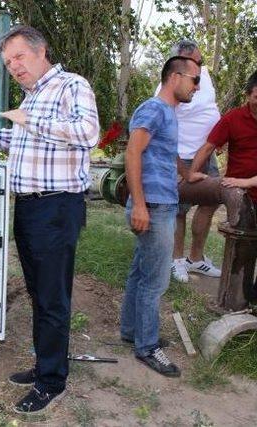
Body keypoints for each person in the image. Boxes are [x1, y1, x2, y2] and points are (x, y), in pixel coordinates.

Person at [0, 25, 99, 415]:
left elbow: (88, 133)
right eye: (8, 61)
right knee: (38, 292)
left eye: (19, 58)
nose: (14, 66)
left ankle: (52, 381)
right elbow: (19, 143)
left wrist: (31, 122)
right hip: (29, 207)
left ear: (41, 51)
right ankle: (44, 364)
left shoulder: (70, 86)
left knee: (51, 297)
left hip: (57, 207)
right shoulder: (30, 98)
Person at [122, 56, 201, 378]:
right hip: (153, 205)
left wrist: (188, 173)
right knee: (155, 282)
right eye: (194, 80)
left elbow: (163, 154)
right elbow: (132, 152)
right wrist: (140, 205)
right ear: (175, 77)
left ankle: (133, 331)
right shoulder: (154, 109)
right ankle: (148, 346)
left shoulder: (167, 113)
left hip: (158, 203)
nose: (197, 88)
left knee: (140, 273)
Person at [155, 40, 222, 283]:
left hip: (207, 150)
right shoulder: (168, 87)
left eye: (201, 61)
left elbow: (208, 108)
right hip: (182, 154)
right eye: (197, 61)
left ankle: (196, 259)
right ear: (180, 64)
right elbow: (161, 128)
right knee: (179, 209)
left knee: (212, 200)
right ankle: (176, 261)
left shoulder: (203, 74)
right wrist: (179, 166)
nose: (202, 66)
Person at [188, 70, 257, 199]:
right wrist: (191, 173)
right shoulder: (233, 118)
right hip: (239, 193)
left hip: (243, 184)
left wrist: (246, 182)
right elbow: (208, 147)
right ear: (248, 95)